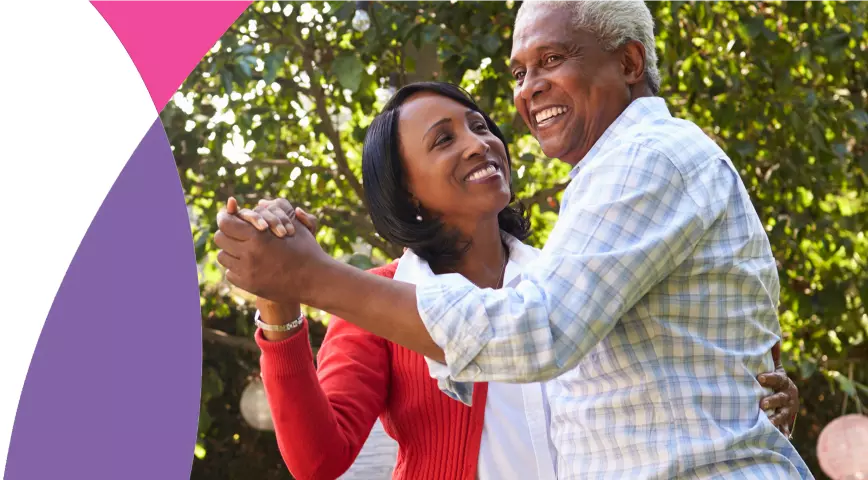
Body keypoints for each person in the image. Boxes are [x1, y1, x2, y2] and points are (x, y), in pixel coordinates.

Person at [218, 82, 801, 479]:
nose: (479, 143)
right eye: (444, 139)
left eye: (479, 126)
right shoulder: (376, 301)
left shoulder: (573, 280)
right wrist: (280, 300)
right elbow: (318, 459)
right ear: (407, 193)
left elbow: (664, 377)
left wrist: (751, 401)